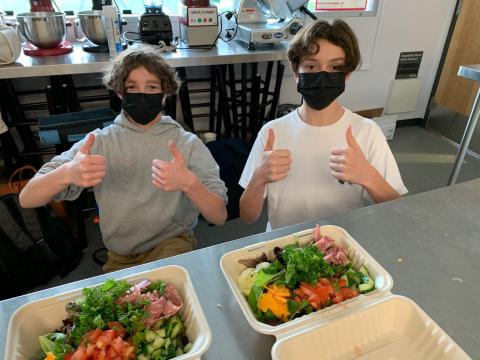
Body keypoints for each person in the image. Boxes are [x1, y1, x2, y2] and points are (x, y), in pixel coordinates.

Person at [19, 45, 228, 272]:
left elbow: (219, 216)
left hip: (172, 243)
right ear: (120, 92)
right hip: (119, 254)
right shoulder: (99, 143)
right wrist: (67, 172)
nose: (142, 94)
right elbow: (28, 198)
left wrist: (190, 183)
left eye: (151, 87)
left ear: (165, 92)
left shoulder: (187, 144)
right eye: (132, 87)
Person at [239, 19, 408, 230]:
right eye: (311, 66)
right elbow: (247, 215)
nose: (322, 76)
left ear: (346, 75)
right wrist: (259, 178)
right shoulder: (272, 132)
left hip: (342, 247)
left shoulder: (366, 132)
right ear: (296, 72)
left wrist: (369, 177)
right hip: (283, 246)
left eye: (335, 67)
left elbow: (397, 212)